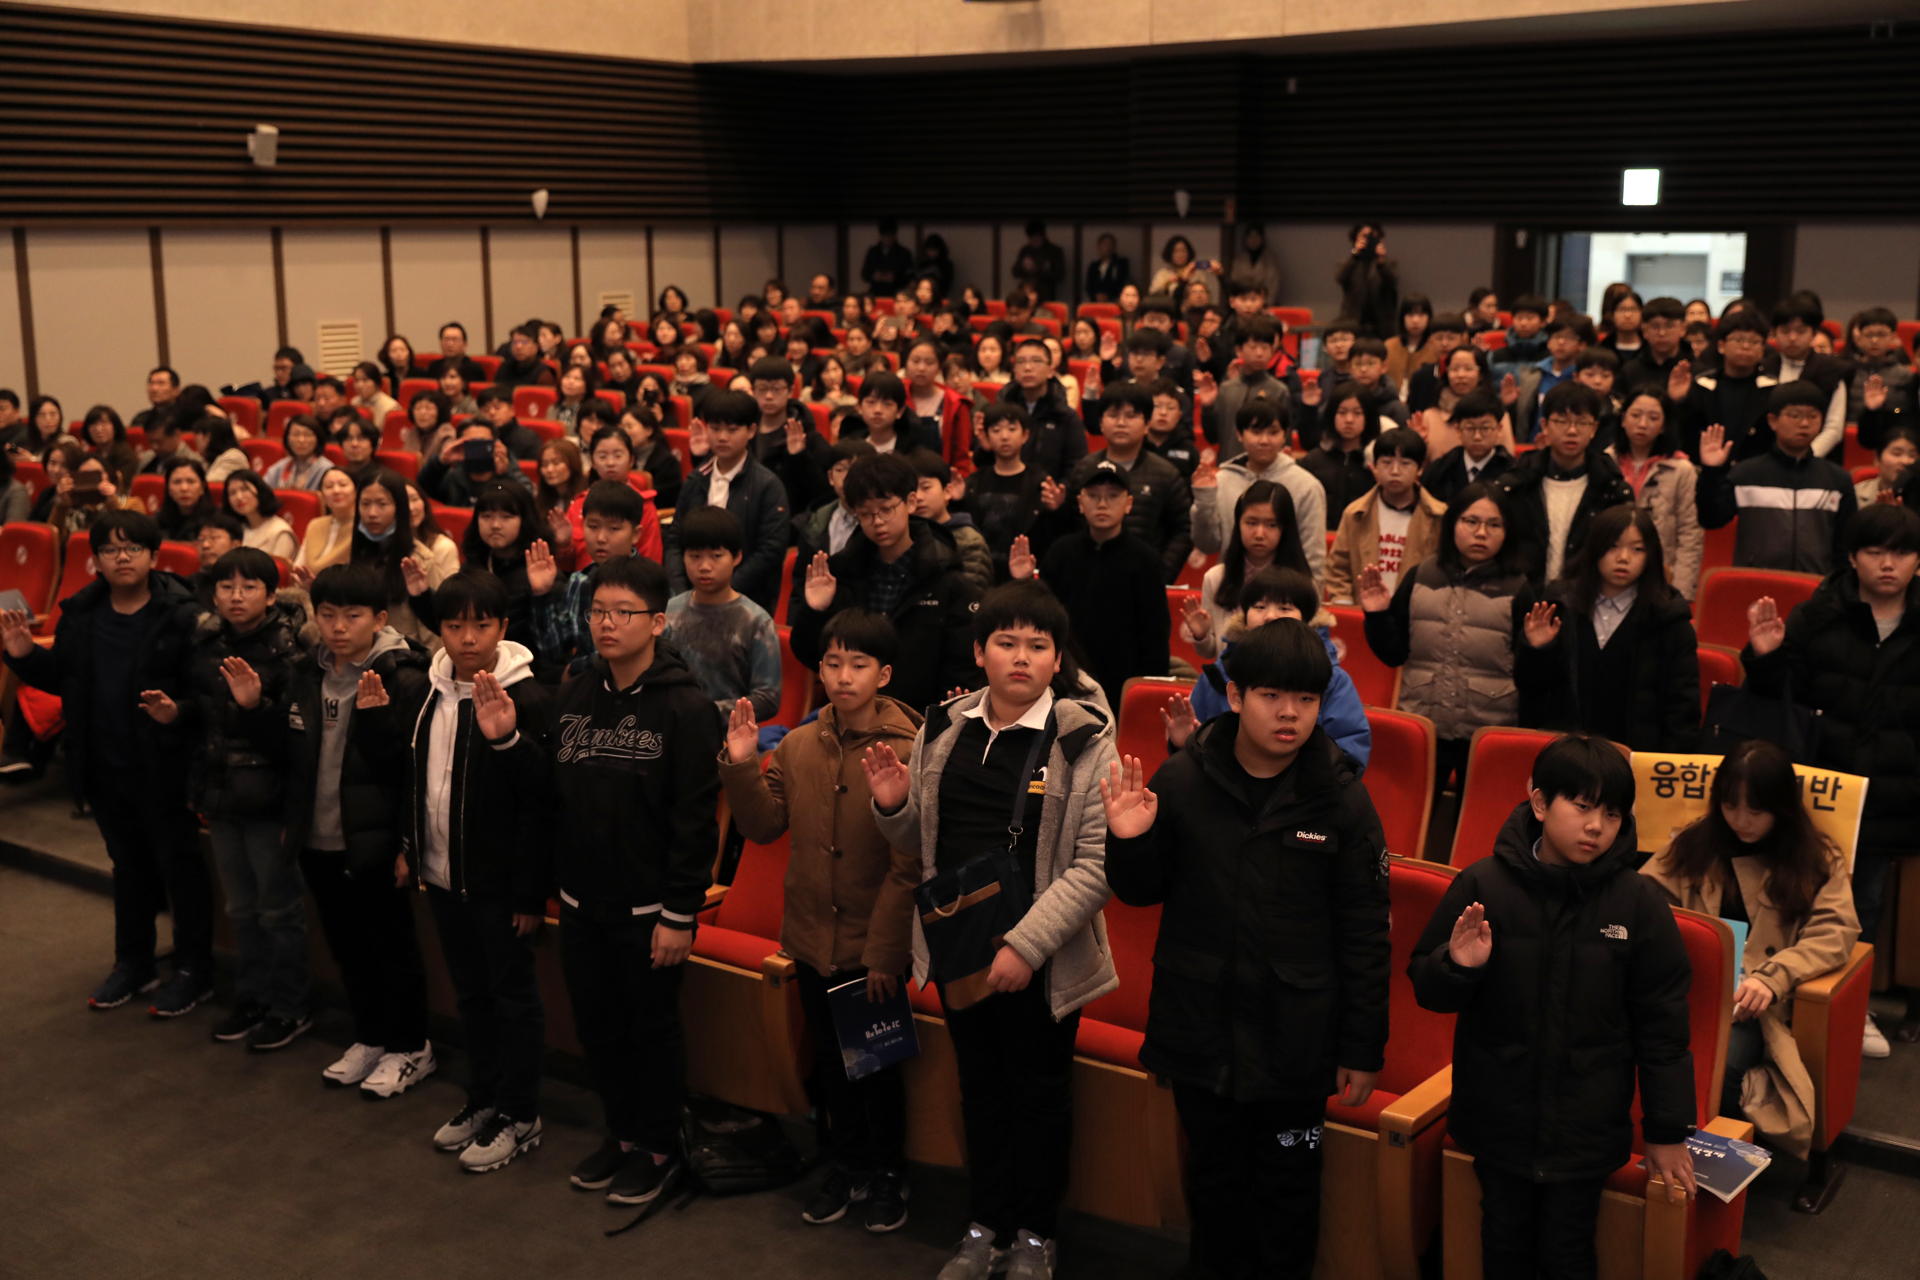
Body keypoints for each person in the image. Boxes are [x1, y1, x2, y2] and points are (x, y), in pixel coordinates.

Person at [1105, 616, 1388, 1279]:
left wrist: (1362, 1047)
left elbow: (1366, 933)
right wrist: (1130, 841)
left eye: (1306, 699)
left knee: (1289, 1199)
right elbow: (1140, 894)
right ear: (1234, 696)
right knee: (1214, 1189)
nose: (1289, 713)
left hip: (1298, 1040)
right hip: (1200, 1030)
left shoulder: (1343, 799)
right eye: (1271, 696)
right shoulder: (1183, 780)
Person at [867, 582, 1120, 1280]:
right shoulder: (945, 725)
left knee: (1038, 1099)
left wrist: (1024, 947)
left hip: (1042, 956)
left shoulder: (1085, 738)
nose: (1021, 657)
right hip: (959, 948)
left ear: (1057, 659)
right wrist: (893, 807)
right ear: (980, 652)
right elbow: (922, 840)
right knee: (980, 1093)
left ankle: (1035, 1237)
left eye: (1038, 645)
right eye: (1006, 643)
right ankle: (984, 1227)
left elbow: (1096, 866)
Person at [1409, 735, 1697, 1280]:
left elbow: (1663, 1026)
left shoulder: (1638, 903)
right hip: (1498, 1119)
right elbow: (1429, 990)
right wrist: (1459, 965)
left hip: (1587, 1127)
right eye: (1582, 807)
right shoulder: (1483, 884)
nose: (1596, 827)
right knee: (1504, 1246)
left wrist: (1666, 1130)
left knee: (1568, 1254)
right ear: (1540, 802)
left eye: (1612, 814)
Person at [718, 609, 922, 1231]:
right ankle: (846, 1165)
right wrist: (742, 764)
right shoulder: (800, 744)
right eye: (832, 663)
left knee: (877, 1067)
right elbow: (763, 826)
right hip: (810, 938)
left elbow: (910, 866)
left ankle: (887, 1174)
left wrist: (885, 952)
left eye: (858, 664)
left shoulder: (910, 748)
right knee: (832, 1064)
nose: (842, 676)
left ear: (884, 674)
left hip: (871, 944)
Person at [549, 555, 720, 1205]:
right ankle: (621, 1134)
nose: (607, 624)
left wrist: (680, 913)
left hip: (649, 911)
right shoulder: (575, 691)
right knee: (598, 1028)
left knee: (650, 1032)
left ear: (657, 622)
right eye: (598, 611)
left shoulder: (686, 707)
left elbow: (694, 822)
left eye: (623, 613)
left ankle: (658, 1146)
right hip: (581, 901)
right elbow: (556, 797)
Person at [1, 509, 210, 1014]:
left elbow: (206, 693)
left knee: (180, 870)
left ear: (153, 556)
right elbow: (66, 679)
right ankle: (134, 963)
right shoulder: (82, 613)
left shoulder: (182, 614)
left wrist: (177, 712)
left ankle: (193, 969)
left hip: (165, 766)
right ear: (95, 560)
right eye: (110, 550)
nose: (122, 558)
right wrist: (25, 656)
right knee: (128, 868)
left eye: (132, 548)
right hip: (103, 763)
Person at [1743, 501, 1920, 1058]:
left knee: (1861, 905)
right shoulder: (1818, 614)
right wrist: (1766, 658)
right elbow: (1778, 704)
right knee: (1787, 892)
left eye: (1901, 553)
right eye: (1875, 551)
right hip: (1817, 786)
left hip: (1890, 793)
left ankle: (1848, 1006)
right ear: (1852, 557)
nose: (1888, 564)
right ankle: (1775, 995)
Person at [401, 570, 554, 1173]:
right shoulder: (429, 689)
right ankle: (484, 1096)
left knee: (513, 999)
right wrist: (413, 847)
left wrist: (529, 894)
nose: (468, 639)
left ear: (503, 628)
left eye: (481, 625)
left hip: (500, 884)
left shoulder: (529, 697)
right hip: (444, 874)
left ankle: (520, 1111)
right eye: (455, 625)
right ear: (438, 629)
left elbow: (542, 805)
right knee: (471, 994)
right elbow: (418, 777)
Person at [1642, 739, 1860, 1138]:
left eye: (1756, 811)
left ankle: (1714, 1157)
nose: (1741, 821)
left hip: (1758, 1006)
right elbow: (1647, 900)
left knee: (1721, 1065)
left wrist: (1773, 977)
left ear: (1782, 807)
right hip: (1691, 989)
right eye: (1730, 806)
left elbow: (1834, 932)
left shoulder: (1815, 857)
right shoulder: (1695, 843)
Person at [277, 563, 436, 1095]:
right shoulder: (307, 671)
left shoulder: (403, 676)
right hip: (318, 835)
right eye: (327, 615)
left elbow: (410, 771)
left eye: (352, 615)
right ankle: (371, 1036)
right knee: (348, 946)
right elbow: (295, 756)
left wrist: (407, 845)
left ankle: (411, 1046)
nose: (338, 627)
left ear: (380, 618)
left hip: (373, 840)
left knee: (391, 947)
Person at [175, 547, 312, 1050]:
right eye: (227, 587)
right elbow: (207, 717)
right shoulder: (206, 641)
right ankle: (251, 997)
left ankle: (290, 1006)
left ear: (271, 595)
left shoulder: (288, 648)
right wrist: (177, 711)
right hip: (221, 793)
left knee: (278, 909)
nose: (236, 596)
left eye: (249, 587)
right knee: (241, 908)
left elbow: (295, 739)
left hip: (268, 798)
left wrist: (256, 707)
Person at [1361, 483, 1537, 788]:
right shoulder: (1421, 576)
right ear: (1453, 523)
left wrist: (1538, 648)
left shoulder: (1518, 588)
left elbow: (1531, 677)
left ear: (1507, 532)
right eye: (1471, 521)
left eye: (1494, 525)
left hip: (1488, 731)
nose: (1481, 533)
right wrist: (1377, 615)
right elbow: (1394, 653)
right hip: (1424, 721)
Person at [792, 454, 978, 715]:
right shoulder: (843, 572)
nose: (877, 521)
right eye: (865, 514)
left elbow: (962, 666)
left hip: (920, 718)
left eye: (886, 509)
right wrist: (815, 610)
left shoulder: (945, 577)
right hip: (850, 713)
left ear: (910, 502)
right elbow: (814, 656)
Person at [1517, 504, 1700, 751]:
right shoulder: (1560, 605)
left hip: (1636, 755)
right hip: (1564, 752)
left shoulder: (1669, 619)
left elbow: (1682, 707)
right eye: (1613, 546)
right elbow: (1531, 690)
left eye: (1637, 549)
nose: (1623, 558)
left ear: (1651, 556)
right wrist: (1537, 650)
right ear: (1594, 548)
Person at [1170, 568, 1372, 768]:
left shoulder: (1332, 678)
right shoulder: (1220, 673)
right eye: (1259, 607)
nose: (1270, 616)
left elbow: (1349, 752)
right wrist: (1185, 743)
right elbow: (1195, 746)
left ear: (1307, 619)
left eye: (1284, 608)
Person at [1011, 459, 1169, 707]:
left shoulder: (1146, 560)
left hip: (1123, 681)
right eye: (1093, 496)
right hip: (1065, 677)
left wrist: (1148, 693)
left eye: (1113, 496)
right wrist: (1024, 582)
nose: (1102, 504)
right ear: (1080, 503)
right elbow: (1042, 618)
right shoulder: (1061, 552)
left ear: (1128, 504)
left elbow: (1155, 634)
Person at [1697, 383, 1857, 575]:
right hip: (1757, 582)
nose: (1804, 423)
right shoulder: (1746, 474)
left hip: (1817, 585)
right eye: (1794, 415)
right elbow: (1711, 519)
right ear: (1773, 421)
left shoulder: (1837, 480)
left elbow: (1846, 545)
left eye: (1813, 416)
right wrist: (1712, 472)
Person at [1493, 382, 1633, 586]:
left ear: (1594, 429)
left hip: (1587, 593)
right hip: (1522, 592)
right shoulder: (1516, 485)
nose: (1572, 431)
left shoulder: (1612, 490)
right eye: (1562, 421)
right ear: (1544, 425)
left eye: (1582, 423)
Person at [665, 390, 791, 613]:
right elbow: (675, 539)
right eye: (715, 429)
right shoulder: (696, 479)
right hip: (691, 597)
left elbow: (770, 551)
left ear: (751, 430)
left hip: (745, 601)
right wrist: (682, 589)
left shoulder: (767, 485)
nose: (722, 437)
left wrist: (723, 591)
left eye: (732, 430)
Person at [664, 507, 781, 724]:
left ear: (736, 557)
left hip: (731, 733)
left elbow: (768, 698)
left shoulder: (755, 620)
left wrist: (701, 713)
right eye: (695, 556)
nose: (704, 566)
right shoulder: (669, 612)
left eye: (716, 556)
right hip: (670, 728)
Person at [1065, 386, 1192, 581]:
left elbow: (1184, 529)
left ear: (1147, 424)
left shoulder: (1166, 474)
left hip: (1143, 579)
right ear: (1101, 423)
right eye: (1113, 415)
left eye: (1131, 416)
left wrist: (1161, 573)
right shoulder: (1084, 468)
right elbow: (1070, 524)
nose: (1121, 423)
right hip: (1086, 576)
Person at [528, 480, 653, 674]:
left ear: (636, 534)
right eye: (593, 527)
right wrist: (543, 594)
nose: (601, 538)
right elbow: (554, 651)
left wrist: (582, 667)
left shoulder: (649, 582)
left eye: (614, 529)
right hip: (587, 684)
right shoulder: (580, 581)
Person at [1191, 404, 1328, 580]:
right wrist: (1204, 500)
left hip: (1287, 590)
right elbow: (1207, 545)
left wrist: (1308, 595)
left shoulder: (1306, 486)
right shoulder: (1222, 480)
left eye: (1273, 432)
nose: (1264, 440)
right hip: (1232, 585)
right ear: (1239, 434)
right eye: (1256, 432)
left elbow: (1314, 559)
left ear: (1285, 435)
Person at [1186, 479, 1311, 655]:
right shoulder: (1216, 578)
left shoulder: (1300, 581)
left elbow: (1309, 650)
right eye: (1251, 523)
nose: (1259, 534)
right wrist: (1201, 636)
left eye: (1271, 525)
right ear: (1238, 524)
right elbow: (1213, 652)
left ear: (1285, 529)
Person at [1323, 427, 1445, 606]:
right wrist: (1344, 602)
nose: (1395, 471)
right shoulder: (1356, 513)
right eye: (1386, 463)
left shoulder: (1439, 516)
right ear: (1374, 467)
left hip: (1420, 611)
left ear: (1420, 469)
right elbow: (1338, 568)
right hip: (1364, 608)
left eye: (1405, 463)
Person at [1611, 389, 1702, 599]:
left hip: (1660, 573)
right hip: (1610, 569)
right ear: (1623, 419)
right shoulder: (1605, 462)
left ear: (1664, 425)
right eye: (1635, 415)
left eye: (1653, 418)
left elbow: (1690, 534)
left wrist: (1680, 592)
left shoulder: (1681, 470)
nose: (1643, 424)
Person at [351, 469, 450, 649]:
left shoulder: (419, 560)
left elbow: (434, 633)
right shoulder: (357, 552)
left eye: (382, 504)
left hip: (407, 656)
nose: (372, 513)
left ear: (400, 508)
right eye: (365, 504)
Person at [965, 404, 1055, 580]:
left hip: (1024, 572)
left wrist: (1056, 508)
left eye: (1012, 429)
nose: (1004, 436)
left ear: (1025, 435)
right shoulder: (975, 482)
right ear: (986, 437)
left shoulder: (1040, 482)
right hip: (981, 571)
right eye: (996, 430)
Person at [984, 339, 1087, 482]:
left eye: (1036, 361)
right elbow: (983, 464)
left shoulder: (1065, 416)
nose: (1027, 367)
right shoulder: (1000, 411)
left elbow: (1076, 468)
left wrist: (1059, 491)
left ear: (1051, 371)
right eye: (1021, 362)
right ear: (1014, 370)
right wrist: (985, 448)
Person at [1761, 295, 1850, 458]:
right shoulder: (1763, 368)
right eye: (1785, 331)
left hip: (1816, 458)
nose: (1792, 338)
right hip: (1767, 457)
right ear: (1774, 333)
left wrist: (1804, 456)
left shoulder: (1832, 370)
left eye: (1800, 331)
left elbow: (1834, 428)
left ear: (1813, 334)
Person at [906, 449, 993, 595]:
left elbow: (973, 595)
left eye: (926, 487)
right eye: (912, 491)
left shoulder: (969, 541)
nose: (919, 497)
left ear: (947, 491)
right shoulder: (904, 536)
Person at [1297, 380, 1382, 525]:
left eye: (1357, 413)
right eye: (1342, 412)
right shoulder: (1314, 460)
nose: (1349, 420)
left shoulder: (1375, 462)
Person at [1422, 391, 1515, 506]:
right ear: (1458, 430)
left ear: (1499, 429)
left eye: (1485, 428)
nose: (1477, 436)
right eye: (1470, 428)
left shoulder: (1512, 472)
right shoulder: (1440, 469)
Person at [835, 369, 942, 456]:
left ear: (900, 411)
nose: (878, 410)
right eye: (871, 402)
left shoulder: (914, 450)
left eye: (887, 404)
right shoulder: (850, 445)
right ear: (859, 407)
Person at [1335, 223, 1397, 338]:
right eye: (1364, 236)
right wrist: (1355, 255)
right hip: (1353, 321)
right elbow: (1340, 278)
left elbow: (1392, 282)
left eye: (1373, 236)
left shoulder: (1388, 263)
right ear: (1355, 238)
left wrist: (1381, 262)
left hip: (1381, 325)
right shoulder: (1349, 263)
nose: (1368, 240)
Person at [221, 470, 298, 561]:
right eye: (232, 493)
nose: (239, 497)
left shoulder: (281, 533)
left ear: (260, 490)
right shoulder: (235, 530)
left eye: (244, 489)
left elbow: (279, 568)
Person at [296, 466, 359, 576]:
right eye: (329, 486)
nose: (336, 491)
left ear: (357, 491)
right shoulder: (315, 524)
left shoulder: (363, 527)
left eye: (343, 485)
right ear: (322, 495)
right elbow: (298, 566)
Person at [263, 414, 334, 491]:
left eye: (307, 435)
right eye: (296, 434)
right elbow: (263, 491)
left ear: (318, 439)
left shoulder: (326, 469)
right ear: (287, 438)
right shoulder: (280, 467)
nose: (301, 440)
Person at [1857, 426, 1919, 507]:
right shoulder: (1856, 494)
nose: (1905, 461)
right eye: (1897, 453)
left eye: (1912, 455)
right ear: (1877, 458)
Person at [1010, 220, 1068, 302]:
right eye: (1031, 238)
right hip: (1024, 294)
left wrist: (1039, 269)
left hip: (1046, 294)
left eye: (1037, 237)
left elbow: (1060, 275)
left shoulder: (1054, 251)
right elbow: (1015, 272)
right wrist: (1023, 267)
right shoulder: (1026, 250)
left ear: (1043, 236)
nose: (1034, 241)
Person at [861, 220, 915, 297]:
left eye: (890, 236)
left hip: (896, 293)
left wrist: (894, 277)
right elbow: (864, 274)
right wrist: (874, 276)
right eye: (885, 236)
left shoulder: (904, 253)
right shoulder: (873, 252)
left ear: (895, 236)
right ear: (880, 236)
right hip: (876, 292)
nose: (887, 239)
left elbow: (910, 276)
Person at [1084, 232, 1132, 302]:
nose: (1108, 247)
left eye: (1110, 244)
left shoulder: (1121, 263)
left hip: (1115, 300)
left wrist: (1109, 296)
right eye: (1105, 244)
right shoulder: (1094, 266)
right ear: (1099, 246)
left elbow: (1123, 283)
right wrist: (1096, 296)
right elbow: (1089, 285)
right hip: (1096, 301)